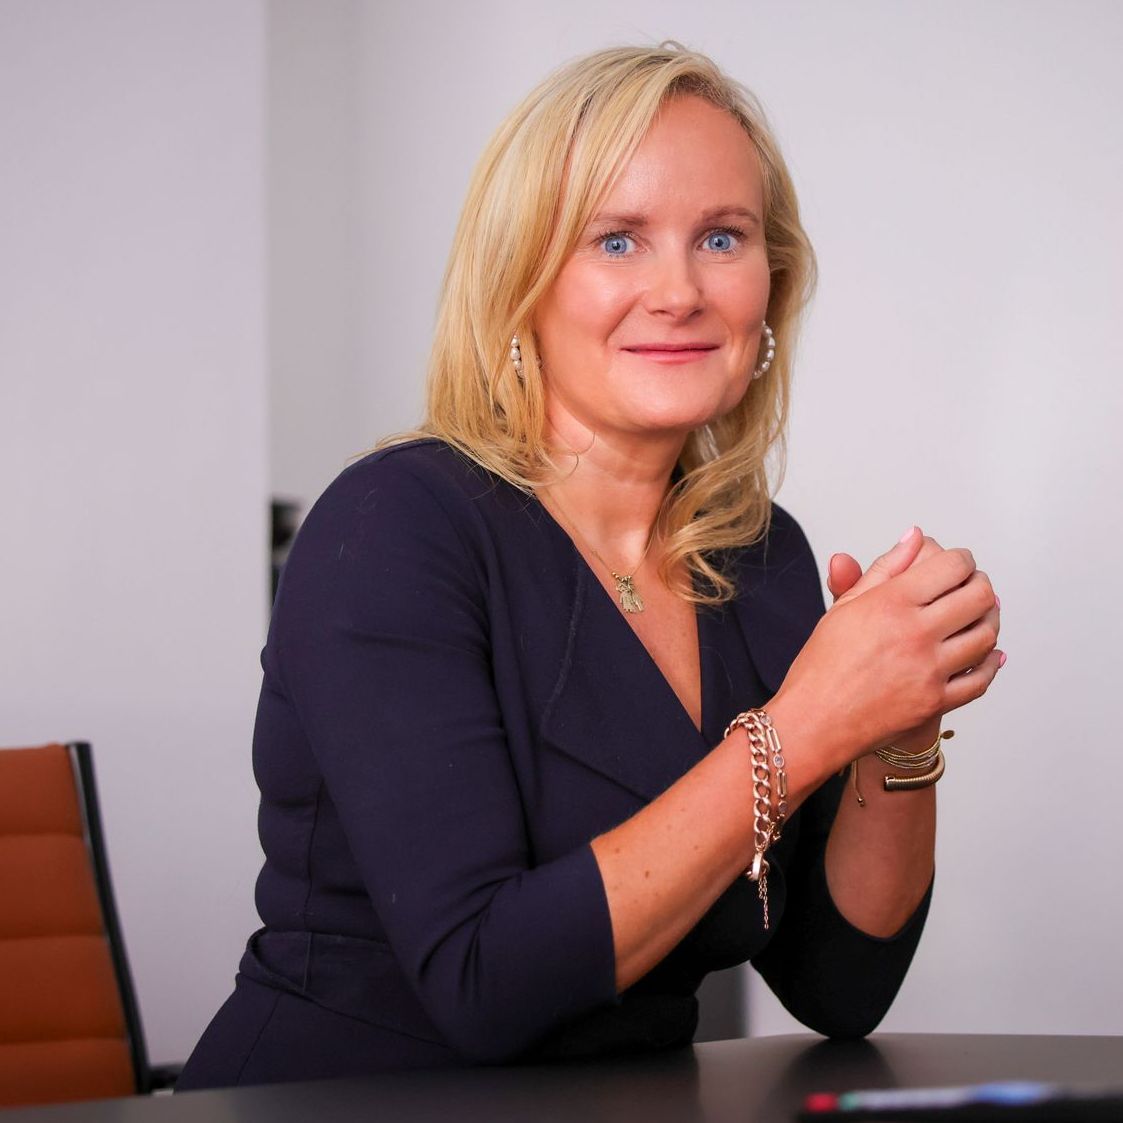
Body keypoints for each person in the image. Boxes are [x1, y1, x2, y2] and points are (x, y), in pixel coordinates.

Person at [178, 44, 1002, 1089]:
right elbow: (484, 977)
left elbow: (840, 983)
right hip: (339, 1099)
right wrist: (806, 729)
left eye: (721, 237)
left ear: (768, 285)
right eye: (616, 240)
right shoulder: (392, 527)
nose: (679, 290)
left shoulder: (759, 554)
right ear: (519, 281)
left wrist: (897, 726)